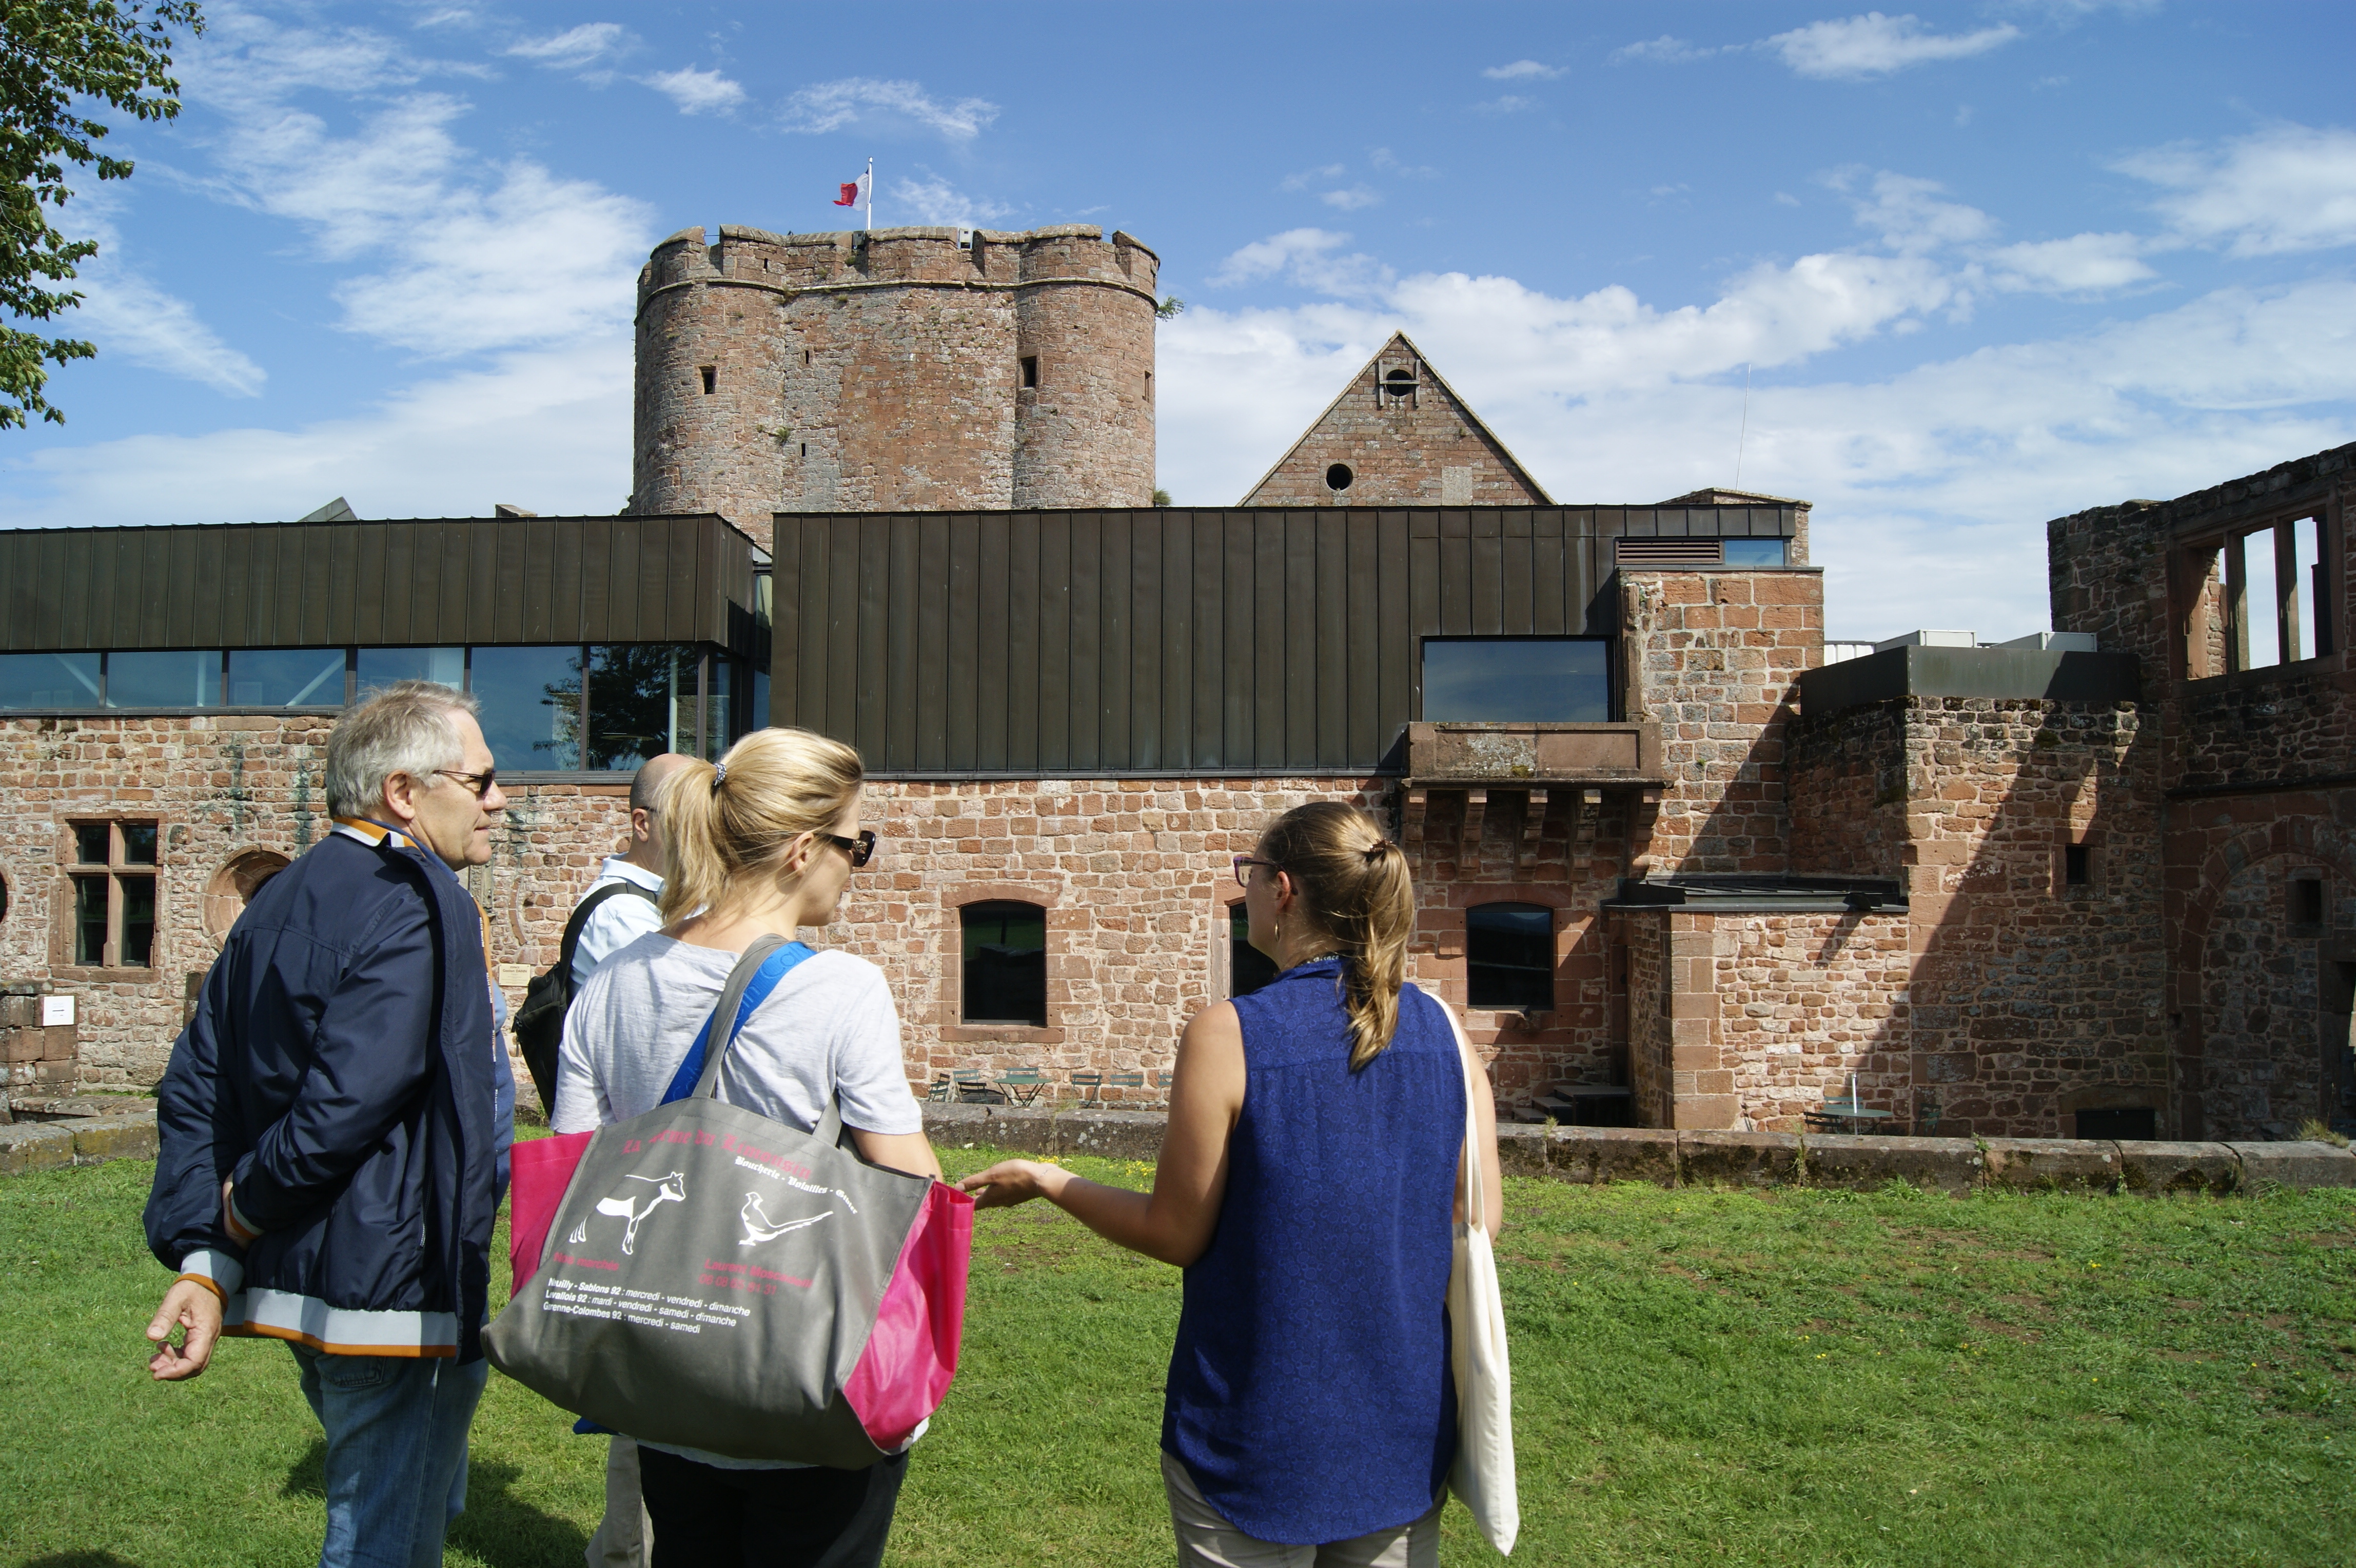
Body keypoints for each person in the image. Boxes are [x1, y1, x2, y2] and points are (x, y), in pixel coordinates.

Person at [962, 800, 1503, 1568]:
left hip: (1256, 1427)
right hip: (1400, 1428)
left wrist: (1050, 1179)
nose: (1245, 889)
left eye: (1248, 874)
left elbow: (1177, 1231)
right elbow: (1477, 1222)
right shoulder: (1449, 1034)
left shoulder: (1231, 1031)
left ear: (1282, 889)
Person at [143, 680, 517, 1568]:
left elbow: (198, 1083)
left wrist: (213, 1256)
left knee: (414, 1501)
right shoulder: (420, 900)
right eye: (482, 780)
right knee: (379, 1536)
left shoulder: (281, 893)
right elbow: (341, 1109)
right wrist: (231, 1222)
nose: (500, 801)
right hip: (385, 1285)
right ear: (403, 792)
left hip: (329, 1276)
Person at [552, 726, 945, 1568]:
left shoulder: (611, 985)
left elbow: (576, 1175)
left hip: (664, 1381)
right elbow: (911, 1186)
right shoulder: (840, 988)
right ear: (804, 850)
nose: (858, 866)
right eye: (856, 844)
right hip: (798, 1382)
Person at [564, 750, 691, 1568]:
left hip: (659, 1171)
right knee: (652, 1393)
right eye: (690, 814)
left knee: (654, 1397)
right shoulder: (625, 919)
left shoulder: (662, 908)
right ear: (642, 823)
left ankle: (619, 1550)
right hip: (640, 1174)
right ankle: (624, 1556)